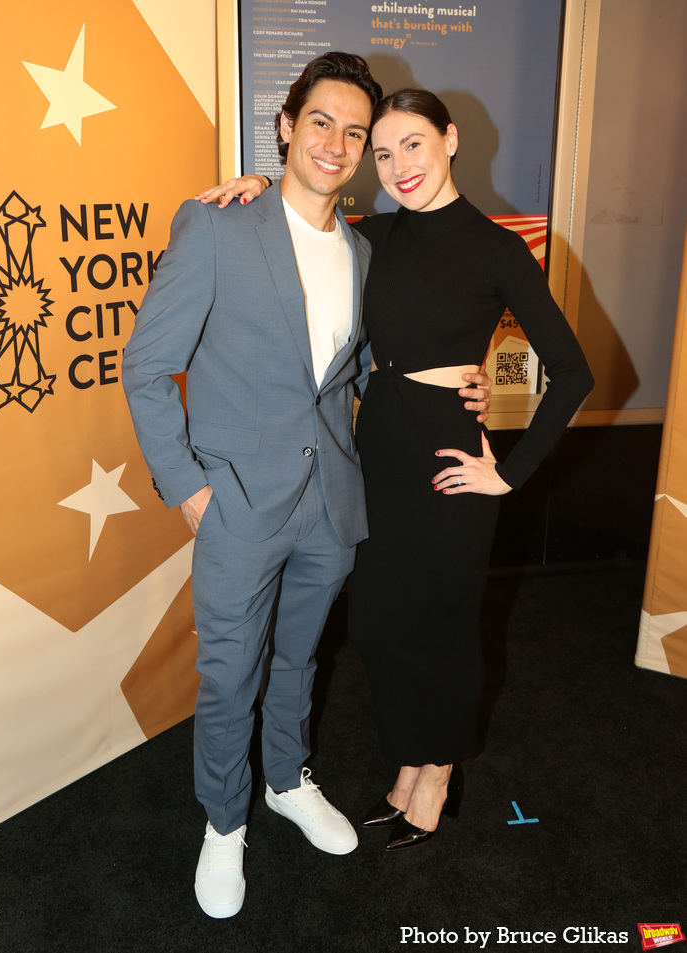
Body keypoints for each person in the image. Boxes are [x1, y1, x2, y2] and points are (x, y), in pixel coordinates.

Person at [122, 54, 492, 919]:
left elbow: (369, 367)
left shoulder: (367, 249)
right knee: (229, 673)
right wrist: (188, 489)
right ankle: (223, 824)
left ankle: (286, 779)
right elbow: (147, 366)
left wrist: (459, 386)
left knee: (299, 660)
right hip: (236, 502)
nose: (337, 142)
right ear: (285, 127)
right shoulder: (219, 225)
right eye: (319, 121)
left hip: (332, 500)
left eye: (355, 132)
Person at [198, 88, 594, 851]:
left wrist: (510, 475)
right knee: (380, 619)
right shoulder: (373, 233)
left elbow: (573, 374)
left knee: (443, 620)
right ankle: (412, 754)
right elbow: (298, 227)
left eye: (413, 144)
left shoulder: (496, 247)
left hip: (451, 455)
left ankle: (434, 773)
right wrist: (254, 185)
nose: (398, 165)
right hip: (376, 447)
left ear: (450, 139)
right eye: (382, 152)